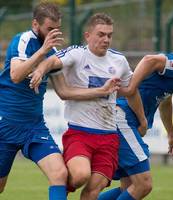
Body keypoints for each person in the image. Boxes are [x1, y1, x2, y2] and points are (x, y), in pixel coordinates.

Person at [0, 3, 121, 199]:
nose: (53, 34)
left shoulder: (53, 50)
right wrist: (42, 52)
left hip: (34, 127)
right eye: (49, 29)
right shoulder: (23, 40)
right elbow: (15, 75)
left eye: (56, 29)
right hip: (6, 124)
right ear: (35, 24)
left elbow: (64, 91)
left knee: (60, 174)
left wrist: (100, 91)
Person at [29, 13, 147, 200]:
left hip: (108, 136)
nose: (106, 39)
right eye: (101, 34)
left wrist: (142, 119)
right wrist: (40, 70)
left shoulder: (119, 61)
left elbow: (131, 91)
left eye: (109, 35)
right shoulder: (77, 54)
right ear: (87, 36)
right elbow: (52, 61)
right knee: (80, 175)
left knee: (93, 189)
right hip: (80, 133)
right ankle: (62, 183)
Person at [98, 41, 173, 200]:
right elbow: (149, 60)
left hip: (123, 119)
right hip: (124, 118)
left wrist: (171, 136)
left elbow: (165, 104)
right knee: (144, 184)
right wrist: (132, 88)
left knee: (129, 187)